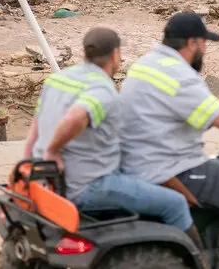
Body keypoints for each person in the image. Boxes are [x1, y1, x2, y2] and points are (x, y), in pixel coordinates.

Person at [119, 12, 219, 269]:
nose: (204, 50)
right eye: (204, 44)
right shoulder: (182, 76)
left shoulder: (148, 63)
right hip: (167, 167)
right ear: (192, 43)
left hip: (135, 160)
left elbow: (178, 99)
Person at [23, 27, 203, 250]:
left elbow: (33, 135)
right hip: (89, 186)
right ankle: (200, 260)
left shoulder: (57, 80)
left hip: (51, 185)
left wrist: (34, 167)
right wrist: (53, 150)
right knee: (175, 203)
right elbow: (77, 116)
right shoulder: (103, 90)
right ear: (115, 55)